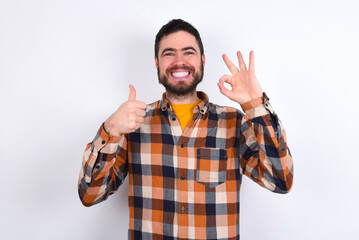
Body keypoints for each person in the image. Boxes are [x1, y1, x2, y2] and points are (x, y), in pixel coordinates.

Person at [78, 19, 293, 240]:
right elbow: (90, 195)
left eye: (188, 52)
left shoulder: (233, 123)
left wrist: (256, 105)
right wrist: (110, 130)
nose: (179, 62)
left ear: (202, 60)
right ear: (157, 63)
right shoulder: (133, 124)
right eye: (169, 53)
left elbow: (281, 180)